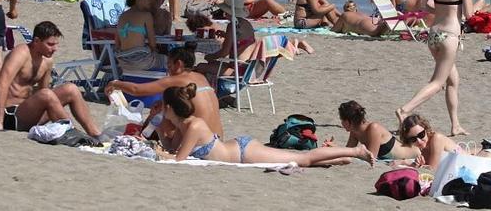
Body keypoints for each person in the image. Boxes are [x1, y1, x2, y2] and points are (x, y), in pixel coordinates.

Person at [155, 84, 375, 166]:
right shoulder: (183, 126)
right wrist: (158, 132)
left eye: (162, 106)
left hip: (244, 151)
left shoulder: (194, 126)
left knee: (303, 159)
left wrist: (157, 151)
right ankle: (339, 158)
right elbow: (173, 149)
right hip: (240, 149)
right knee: (302, 160)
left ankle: (356, 151)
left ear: (170, 108)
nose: (161, 109)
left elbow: (177, 159)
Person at [396, 0, 473, 136]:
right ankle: (405, 110)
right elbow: (470, 14)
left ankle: (455, 124)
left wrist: (439, 9)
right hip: (449, 37)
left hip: (433, 35)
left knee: (453, 80)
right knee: (438, 83)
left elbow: (421, 4)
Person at [0, 21, 101, 137]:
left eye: (56, 44)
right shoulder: (21, 53)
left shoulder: (47, 61)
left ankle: (95, 134)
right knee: (46, 94)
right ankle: (71, 132)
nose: (55, 49)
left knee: (71, 89)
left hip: (32, 115)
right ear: (36, 41)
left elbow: (43, 92)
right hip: (11, 116)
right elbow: (1, 85)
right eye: (50, 44)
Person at [105, 47, 224, 138]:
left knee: (164, 112)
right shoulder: (200, 77)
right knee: (165, 105)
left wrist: (115, 83)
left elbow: (137, 90)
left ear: (178, 64)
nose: (168, 70)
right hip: (217, 138)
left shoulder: (177, 79)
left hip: (198, 140)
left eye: (169, 65)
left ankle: (144, 134)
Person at [195, 0, 257, 76]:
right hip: (248, 68)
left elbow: (224, 52)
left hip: (238, 70)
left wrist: (210, 56)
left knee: (200, 66)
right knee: (212, 64)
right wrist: (226, 35)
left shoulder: (232, 26)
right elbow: (241, 39)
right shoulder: (246, 24)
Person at [332, 101, 419, 161]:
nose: (341, 123)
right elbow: (349, 151)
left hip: (417, 154)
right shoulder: (354, 131)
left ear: (347, 122)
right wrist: (333, 148)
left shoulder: (373, 128)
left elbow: (371, 157)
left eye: (341, 119)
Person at [115, 0, 164, 71]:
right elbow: (152, 44)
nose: (150, 0)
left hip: (123, 63)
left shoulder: (122, 16)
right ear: (138, 0)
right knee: (170, 61)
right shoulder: (146, 15)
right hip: (141, 61)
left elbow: (117, 43)